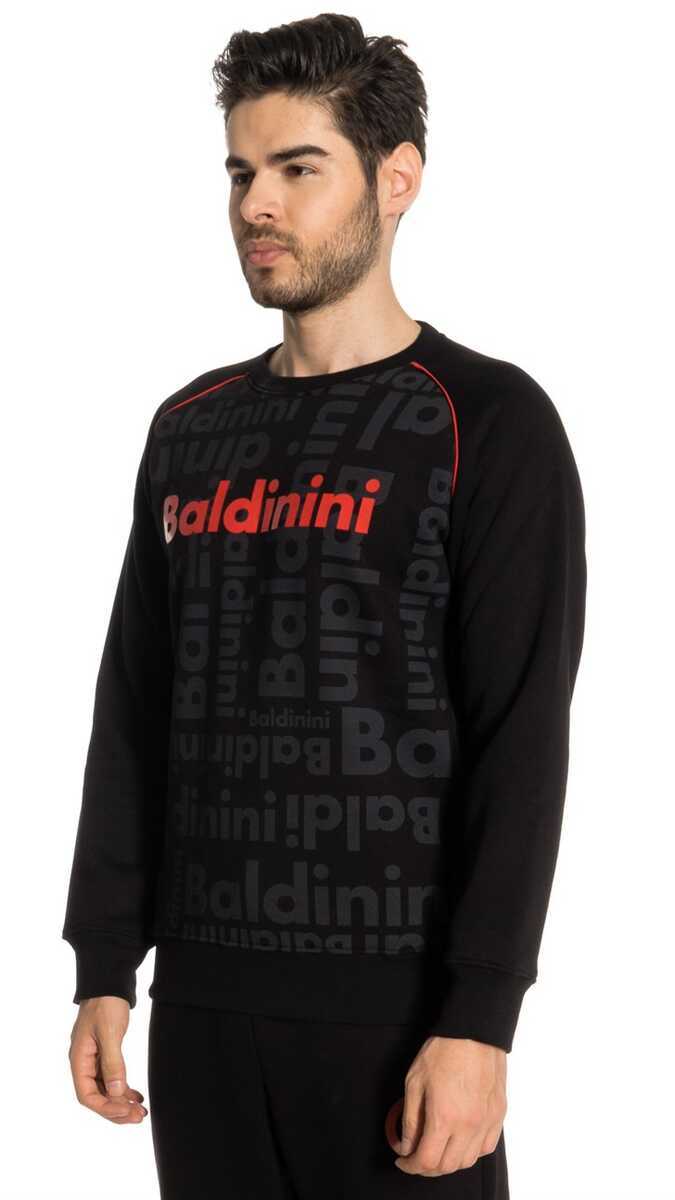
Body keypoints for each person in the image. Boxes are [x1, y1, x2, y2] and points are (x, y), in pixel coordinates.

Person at [62, 13, 586, 1199]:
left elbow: (522, 740)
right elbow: (135, 710)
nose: (257, 204)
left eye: (299, 169)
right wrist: (103, 960)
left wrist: (481, 1018)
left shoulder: (484, 420)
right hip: (201, 1017)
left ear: (396, 179)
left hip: (399, 1026)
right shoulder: (190, 429)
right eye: (241, 172)